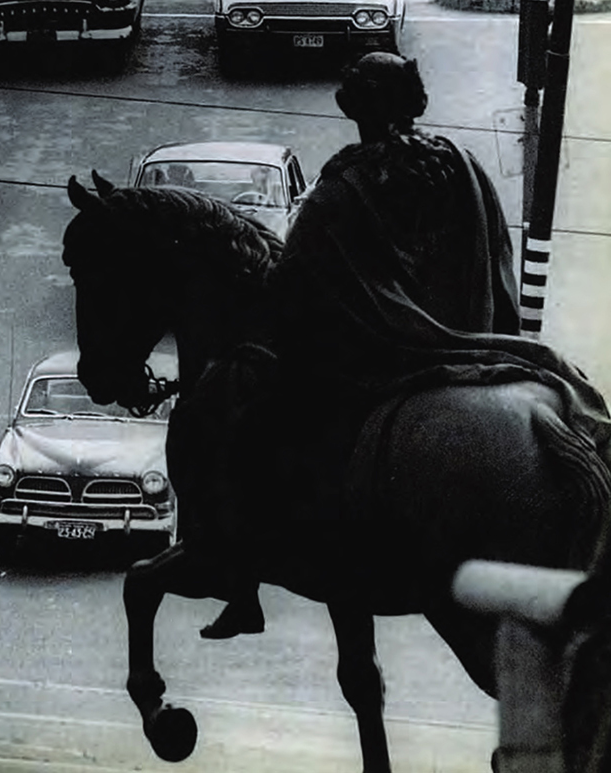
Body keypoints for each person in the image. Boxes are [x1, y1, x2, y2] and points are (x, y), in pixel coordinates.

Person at [198, 52, 522, 640]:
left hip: (379, 364)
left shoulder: (344, 187)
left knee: (252, 427)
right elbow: (496, 256)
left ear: (359, 108)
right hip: (472, 343)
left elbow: (290, 284)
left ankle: (243, 579)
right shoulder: (461, 164)